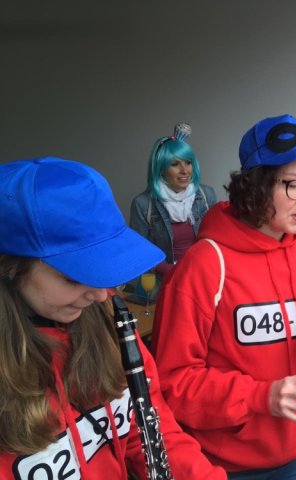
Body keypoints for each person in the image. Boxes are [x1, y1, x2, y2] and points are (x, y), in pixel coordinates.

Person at [151, 114, 296, 479]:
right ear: (257, 184)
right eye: (293, 185)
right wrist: (260, 397)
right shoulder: (205, 264)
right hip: (228, 464)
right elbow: (174, 383)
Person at [0, 157, 226, 479]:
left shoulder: (108, 321)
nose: (101, 294)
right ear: (10, 268)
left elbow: (144, 430)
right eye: (74, 277)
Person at [130, 122, 217, 278]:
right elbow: (139, 251)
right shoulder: (143, 204)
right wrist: (173, 272)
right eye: (175, 164)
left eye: (188, 162)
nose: (184, 170)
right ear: (161, 169)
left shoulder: (206, 195)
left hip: (202, 276)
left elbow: (217, 240)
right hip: (164, 281)